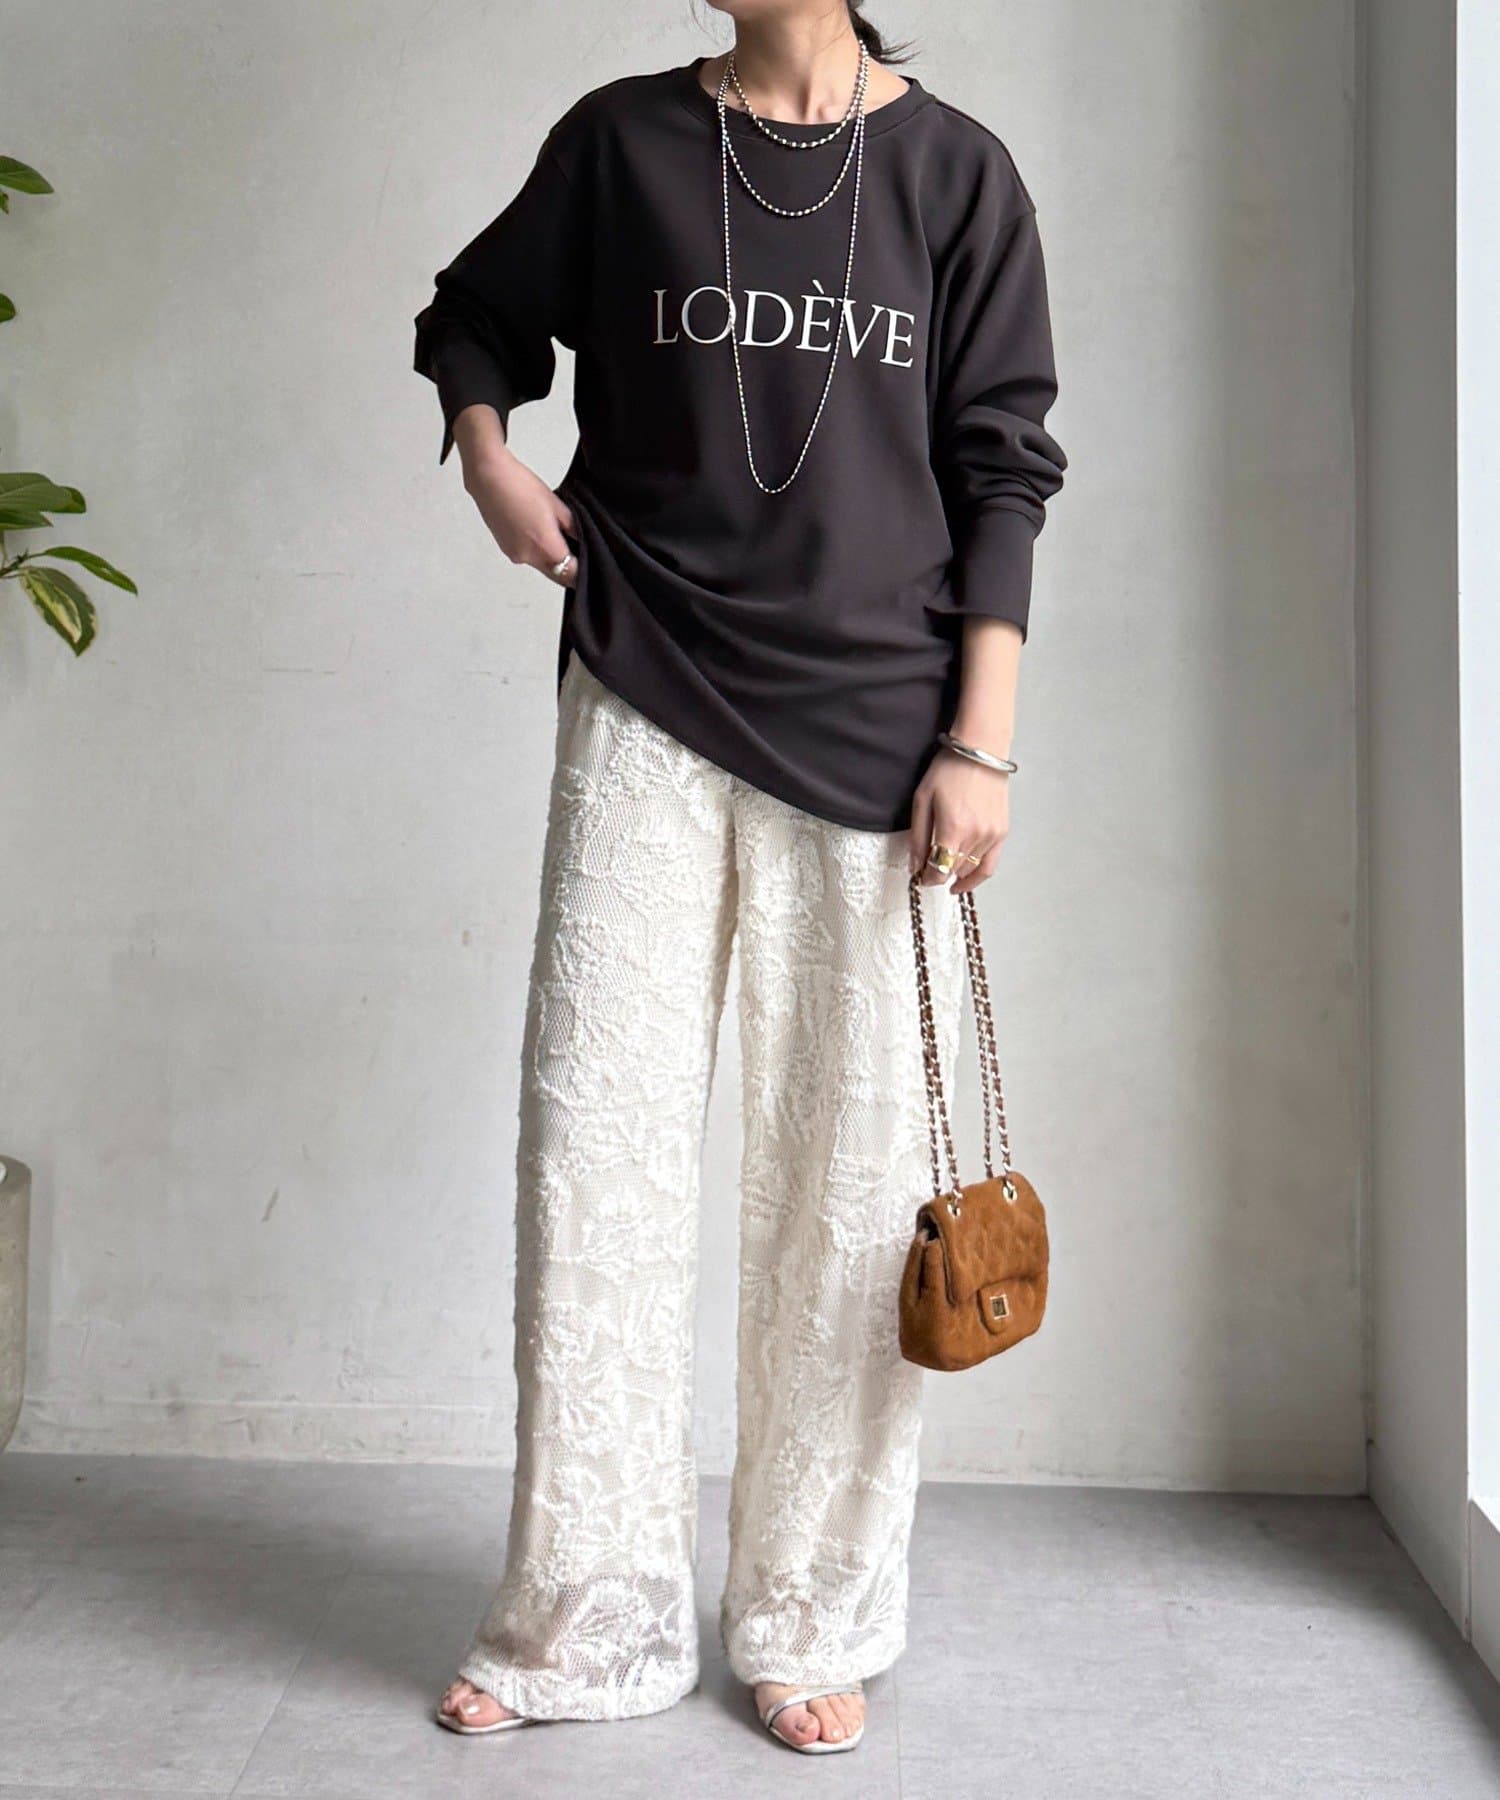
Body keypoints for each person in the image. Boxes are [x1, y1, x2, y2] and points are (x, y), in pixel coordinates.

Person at [412, 0, 1064, 1757]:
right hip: (642, 684)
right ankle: (583, 1619)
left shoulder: (956, 175)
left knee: (848, 1196)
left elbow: (1003, 463)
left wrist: (983, 741)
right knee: (597, 1159)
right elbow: (475, 316)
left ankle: (811, 1614)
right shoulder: (623, 140)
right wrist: (488, 457)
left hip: (877, 730)